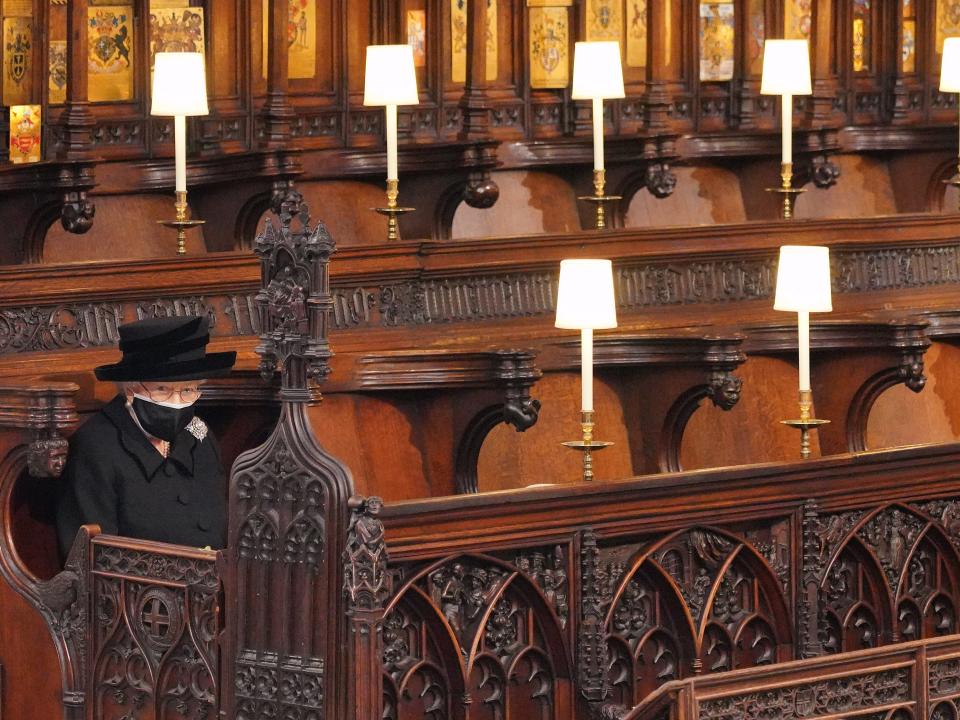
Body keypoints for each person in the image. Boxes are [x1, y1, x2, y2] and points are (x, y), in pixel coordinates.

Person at [56, 316, 236, 558]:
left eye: (187, 390)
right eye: (162, 389)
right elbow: (91, 559)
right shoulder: (97, 447)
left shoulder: (199, 435)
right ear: (130, 389)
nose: (177, 403)